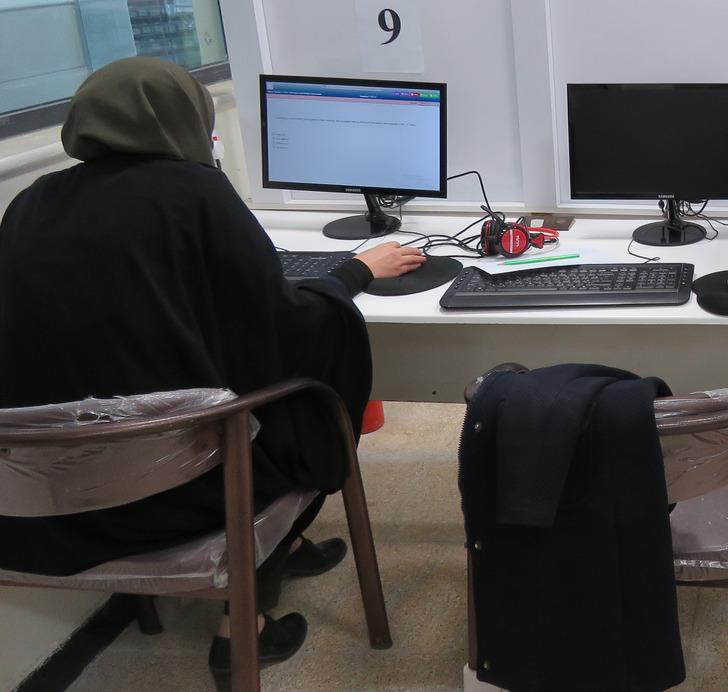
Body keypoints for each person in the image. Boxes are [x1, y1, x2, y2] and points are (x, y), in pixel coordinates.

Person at [0, 57, 425, 685]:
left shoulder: (29, 204)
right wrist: (354, 273)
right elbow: (283, 327)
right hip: (185, 491)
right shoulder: (196, 192)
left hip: (46, 502)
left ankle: (288, 544)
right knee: (306, 407)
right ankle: (242, 627)